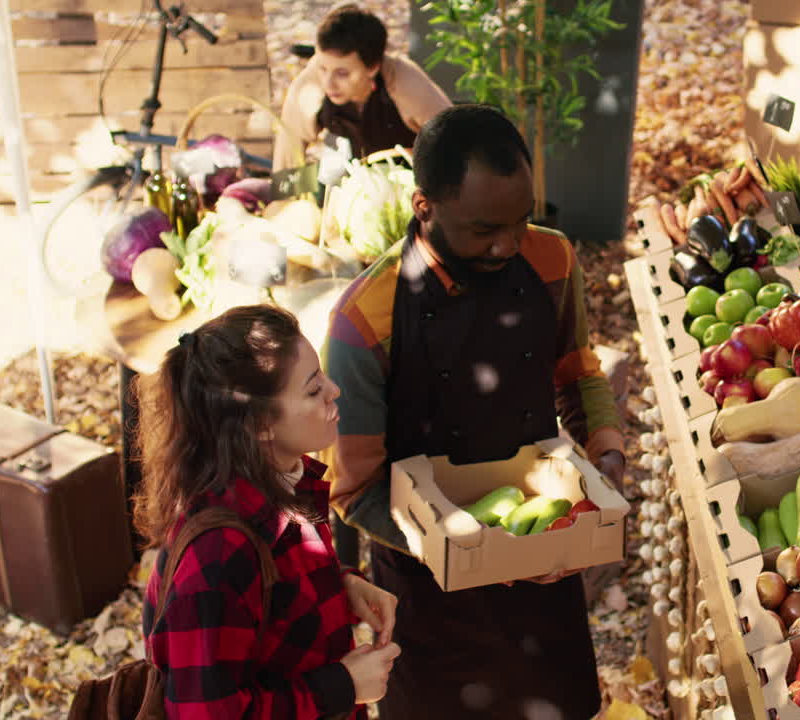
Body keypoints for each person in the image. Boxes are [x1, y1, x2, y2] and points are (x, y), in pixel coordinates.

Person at [320, 104, 627, 718]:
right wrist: (474, 550)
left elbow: (577, 374)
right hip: (428, 590)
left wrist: (608, 453)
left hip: (545, 553)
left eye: (521, 219)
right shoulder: (362, 324)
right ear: (423, 206)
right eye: (485, 228)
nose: (508, 244)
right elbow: (354, 492)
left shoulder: (552, 260)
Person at [132, 305, 402, 718]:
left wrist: (340, 584)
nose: (335, 391)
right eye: (313, 390)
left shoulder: (282, 483)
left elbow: (272, 599)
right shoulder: (220, 553)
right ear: (258, 423)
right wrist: (342, 686)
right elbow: (205, 713)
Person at [274, 4, 451, 170]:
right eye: (322, 68)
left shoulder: (406, 84)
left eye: (342, 73)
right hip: (351, 180)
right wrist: (286, 200)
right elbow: (289, 152)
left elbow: (456, 141)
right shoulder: (311, 83)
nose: (328, 83)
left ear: (373, 67)